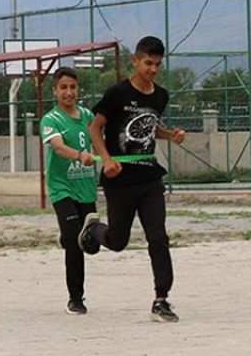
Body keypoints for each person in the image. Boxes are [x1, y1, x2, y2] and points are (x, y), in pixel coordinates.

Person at [78, 36, 186, 323]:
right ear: (135, 61)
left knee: (158, 237)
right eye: (148, 63)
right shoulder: (118, 94)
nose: (153, 69)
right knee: (117, 241)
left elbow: (151, 127)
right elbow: (94, 127)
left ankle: (161, 299)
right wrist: (108, 159)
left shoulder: (160, 96)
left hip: (149, 177)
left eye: (158, 64)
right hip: (120, 179)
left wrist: (170, 135)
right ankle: (94, 230)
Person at [41, 67, 99, 315]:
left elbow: (99, 139)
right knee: (76, 242)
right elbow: (58, 148)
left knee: (89, 243)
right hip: (62, 188)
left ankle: (66, 236)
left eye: (72, 87)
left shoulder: (88, 115)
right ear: (55, 90)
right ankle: (76, 298)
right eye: (63, 87)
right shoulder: (50, 119)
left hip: (85, 187)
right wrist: (79, 155)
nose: (68, 92)